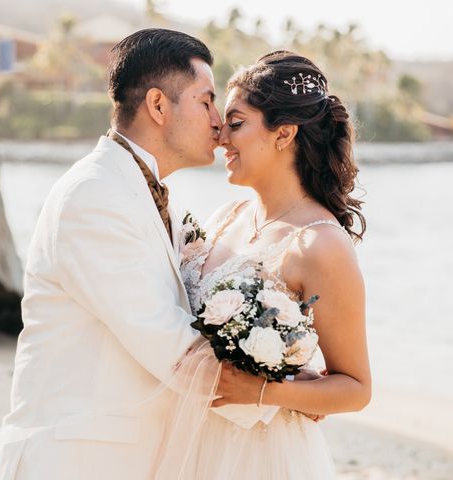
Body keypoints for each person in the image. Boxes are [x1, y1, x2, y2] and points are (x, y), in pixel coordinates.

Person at [0, 29, 224, 480]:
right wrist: (283, 395)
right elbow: (172, 348)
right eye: (206, 102)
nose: (218, 120)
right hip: (73, 461)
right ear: (159, 105)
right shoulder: (94, 196)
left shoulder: (149, 196)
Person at [155, 50, 371, 480]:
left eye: (235, 123)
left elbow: (356, 388)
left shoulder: (319, 244)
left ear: (284, 134)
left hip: (261, 456)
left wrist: (265, 391)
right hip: (186, 436)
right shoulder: (226, 217)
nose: (220, 137)